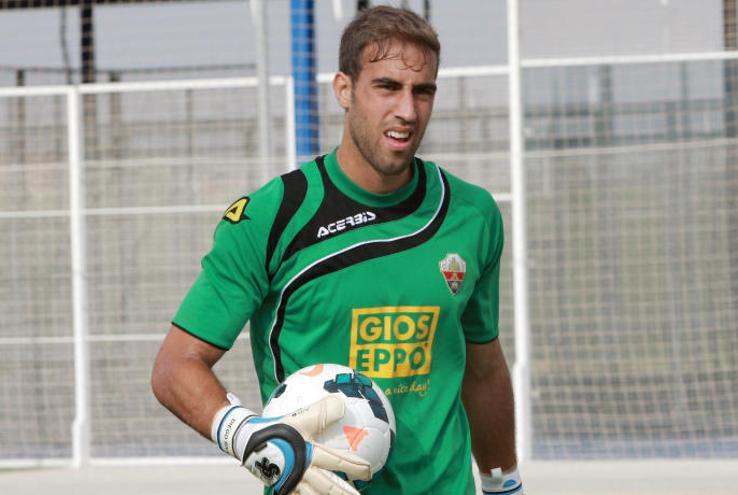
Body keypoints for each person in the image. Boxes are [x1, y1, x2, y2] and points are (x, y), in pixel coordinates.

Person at [151, 6, 522, 495]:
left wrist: (504, 484)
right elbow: (176, 367)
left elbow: (483, 367)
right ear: (343, 89)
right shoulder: (271, 217)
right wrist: (251, 441)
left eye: (423, 91)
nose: (407, 111)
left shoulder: (472, 214)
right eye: (387, 87)